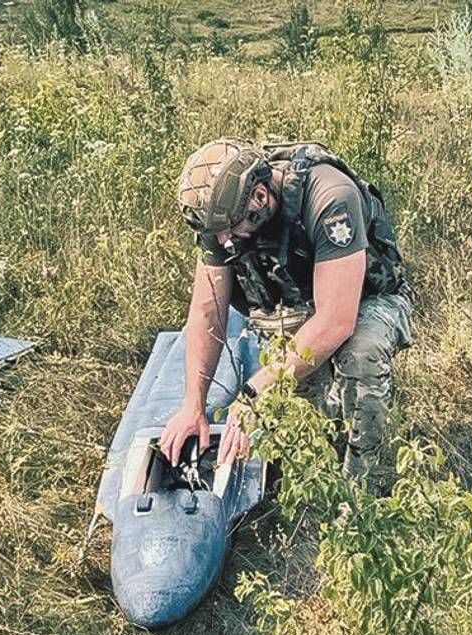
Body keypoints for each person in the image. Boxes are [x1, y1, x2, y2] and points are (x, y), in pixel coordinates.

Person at [159, 138, 413, 487]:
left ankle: (364, 484)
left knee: (360, 354)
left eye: (230, 232)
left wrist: (252, 394)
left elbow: (336, 321)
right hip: (296, 305)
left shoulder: (330, 197)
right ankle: (320, 465)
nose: (224, 243)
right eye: (215, 235)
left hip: (367, 299)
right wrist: (194, 406)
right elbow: (208, 313)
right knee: (307, 407)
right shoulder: (219, 216)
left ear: (260, 197)